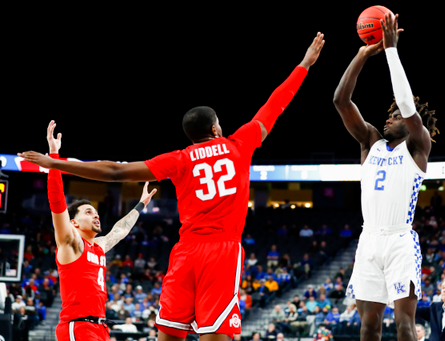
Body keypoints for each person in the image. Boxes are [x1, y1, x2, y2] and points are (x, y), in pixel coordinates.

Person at [20, 34, 325, 341]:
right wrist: (304, 64)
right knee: (215, 334)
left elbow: (115, 171)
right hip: (221, 250)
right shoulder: (239, 143)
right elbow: (275, 105)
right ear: (216, 128)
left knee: (168, 335)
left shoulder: (179, 159)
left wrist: (55, 163)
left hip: (185, 252)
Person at [333, 12, 439, 341]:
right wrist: (362, 55)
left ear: (410, 123)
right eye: (389, 115)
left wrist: (392, 50)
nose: (389, 118)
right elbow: (341, 100)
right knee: (368, 325)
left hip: (399, 241)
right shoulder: (370, 142)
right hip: (368, 241)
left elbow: (407, 105)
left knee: (404, 325)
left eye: (395, 116)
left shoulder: (418, 147)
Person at [29, 121, 156, 341]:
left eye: (96, 212)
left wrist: (141, 204)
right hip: (77, 326)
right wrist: (53, 157)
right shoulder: (70, 242)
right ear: (74, 223)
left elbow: (120, 230)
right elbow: (57, 202)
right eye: (88, 212)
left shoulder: (98, 246)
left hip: (100, 327)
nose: (95, 215)